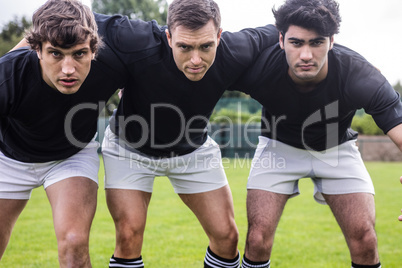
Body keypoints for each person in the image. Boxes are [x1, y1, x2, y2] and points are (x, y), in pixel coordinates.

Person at [96, 0, 279, 267]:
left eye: (206, 46)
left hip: (192, 151)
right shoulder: (138, 39)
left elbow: (288, 28)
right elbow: (64, 16)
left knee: (227, 238)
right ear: (168, 37)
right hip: (128, 149)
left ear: (219, 36)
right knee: (128, 234)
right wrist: (13, 60)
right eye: (184, 47)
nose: (196, 59)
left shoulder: (235, 49)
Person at [229, 0, 402, 267]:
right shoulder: (259, 68)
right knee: (257, 238)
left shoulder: (357, 74)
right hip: (278, 145)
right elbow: (207, 75)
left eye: (317, 42)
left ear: (331, 41)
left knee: (365, 239)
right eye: (296, 43)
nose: (306, 55)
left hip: (336, 148)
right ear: (281, 39)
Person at [0, 0, 126, 267]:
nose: (68, 69)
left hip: (71, 156)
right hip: (8, 158)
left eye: (79, 54)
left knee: (73, 241)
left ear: (93, 50)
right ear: (37, 50)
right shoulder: (8, 74)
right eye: (56, 54)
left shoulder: (112, 67)